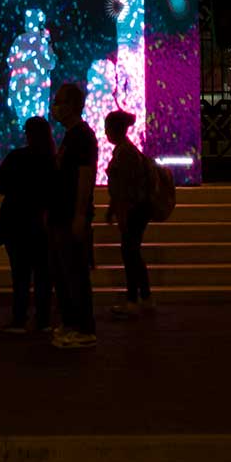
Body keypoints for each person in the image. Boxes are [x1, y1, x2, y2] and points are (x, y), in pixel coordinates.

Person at [0, 116, 55, 333]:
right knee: (43, 274)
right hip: (41, 224)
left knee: (20, 275)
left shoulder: (16, 157)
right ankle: (43, 319)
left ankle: (19, 319)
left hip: (16, 222)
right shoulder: (51, 159)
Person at [46, 82, 98, 349]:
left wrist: (79, 214)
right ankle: (70, 323)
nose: (55, 107)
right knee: (63, 273)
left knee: (75, 273)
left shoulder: (82, 136)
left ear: (73, 105)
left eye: (60, 101)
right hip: (61, 214)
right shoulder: (70, 135)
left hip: (70, 215)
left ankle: (83, 327)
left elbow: (85, 176)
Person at [104, 109, 153, 318]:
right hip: (136, 209)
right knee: (133, 253)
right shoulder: (127, 150)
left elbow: (122, 188)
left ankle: (133, 299)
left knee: (130, 254)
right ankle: (144, 297)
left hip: (132, 210)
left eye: (107, 129)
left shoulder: (124, 153)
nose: (106, 133)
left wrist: (117, 210)